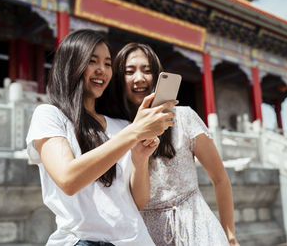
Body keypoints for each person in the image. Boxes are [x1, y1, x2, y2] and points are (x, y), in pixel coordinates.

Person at [26, 30, 177, 246]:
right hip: (82, 240)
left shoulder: (122, 126)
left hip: (135, 240)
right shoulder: (50, 115)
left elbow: (137, 202)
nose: (102, 70)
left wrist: (139, 159)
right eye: (92, 61)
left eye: (108, 64)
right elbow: (68, 179)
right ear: (71, 63)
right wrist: (133, 132)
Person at [100, 43, 239, 246]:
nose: (139, 78)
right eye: (130, 72)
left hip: (198, 227)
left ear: (157, 76)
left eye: (147, 71)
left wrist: (230, 235)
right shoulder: (116, 131)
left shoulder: (185, 118)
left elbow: (220, 179)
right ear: (119, 79)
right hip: (148, 235)